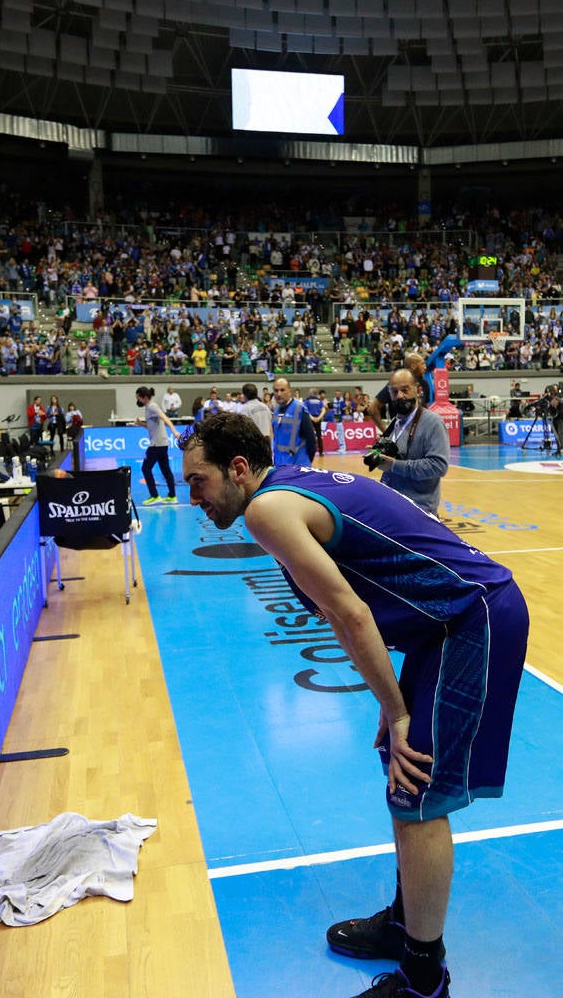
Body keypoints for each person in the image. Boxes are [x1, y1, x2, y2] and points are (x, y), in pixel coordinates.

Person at [179, 412, 529, 998]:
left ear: (238, 469)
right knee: (401, 775)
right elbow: (359, 608)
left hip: (473, 618)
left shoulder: (268, 511)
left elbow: (350, 614)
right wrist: (391, 703)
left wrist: (398, 714)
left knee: (415, 789)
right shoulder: (289, 483)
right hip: (442, 625)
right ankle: (404, 923)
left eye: (198, 481)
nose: (193, 497)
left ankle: (424, 980)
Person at [366, 368, 450, 516]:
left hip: (419, 512)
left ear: (417, 390)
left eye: (405, 390)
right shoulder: (396, 422)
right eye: (394, 392)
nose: (400, 396)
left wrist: (394, 465)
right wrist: (380, 456)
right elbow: (395, 460)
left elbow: (439, 466)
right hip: (394, 507)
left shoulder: (433, 423)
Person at [135, 386, 181, 505]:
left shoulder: (152, 406)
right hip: (162, 444)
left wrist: (175, 431)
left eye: (138, 398)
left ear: (144, 397)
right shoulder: (149, 407)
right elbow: (152, 427)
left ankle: (154, 496)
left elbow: (166, 419)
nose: (137, 401)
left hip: (156, 445)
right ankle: (172, 496)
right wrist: (141, 424)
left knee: (145, 468)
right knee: (165, 470)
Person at [370, 353, 431, 432]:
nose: (425, 367)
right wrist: (386, 432)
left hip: (421, 432)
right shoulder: (396, 384)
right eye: (422, 364)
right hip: (400, 433)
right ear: (413, 366)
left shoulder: (424, 384)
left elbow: (425, 409)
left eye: (405, 390)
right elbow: (372, 409)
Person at [271, 376, 316, 466]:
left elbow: (311, 439)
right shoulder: (276, 411)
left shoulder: (299, 409)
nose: (279, 394)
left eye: (282, 390)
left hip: (298, 465)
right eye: (276, 391)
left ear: (290, 391)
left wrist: (305, 461)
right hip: (280, 465)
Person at [304, 387, 328, 456]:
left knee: (309, 436)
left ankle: (309, 451)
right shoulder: (319, 401)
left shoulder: (307, 400)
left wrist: (312, 418)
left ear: (311, 393)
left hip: (310, 419)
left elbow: (305, 410)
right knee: (319, 436)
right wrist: (318, 418)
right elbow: (324, 410)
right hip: (318, 419)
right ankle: (321, 452)